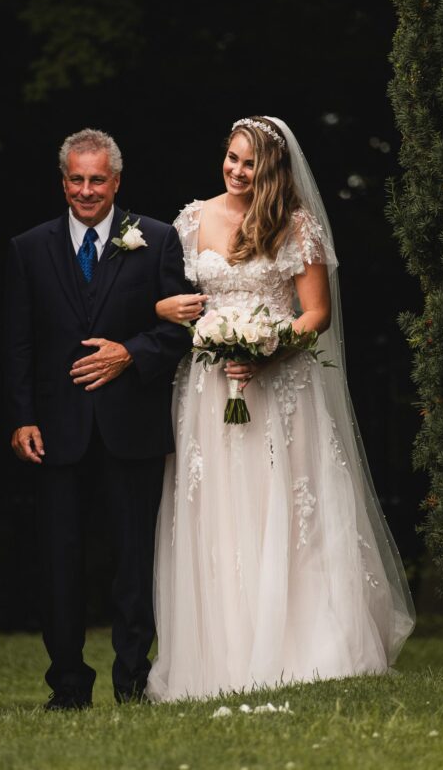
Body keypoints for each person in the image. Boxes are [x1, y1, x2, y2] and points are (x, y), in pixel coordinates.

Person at [146, 116, 415, 701]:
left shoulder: (298, 226)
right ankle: (217, 654)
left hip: (278, 387)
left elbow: (315, 311)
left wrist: (269, 350)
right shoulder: (190, 220)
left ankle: (306, 646)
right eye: (232, 159)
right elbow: (162, 295)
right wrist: (168, 311)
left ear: (272, 171)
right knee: (214, 508)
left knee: (285, 507)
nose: (237, 172)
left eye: (250, 164)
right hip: (207, 387)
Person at [4, 127, 192, 710]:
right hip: (56, 430)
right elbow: (18, 343)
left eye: (98, 180)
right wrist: (22, 417)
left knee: (134, 563)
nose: (87, 190)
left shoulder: (157, 240)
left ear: (116, 181)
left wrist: (129, 353)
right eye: (77, 180)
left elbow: (179, 327)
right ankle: (67, 686)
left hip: (130, 425)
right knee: (60, 564)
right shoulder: (28, 247)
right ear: (64, 183)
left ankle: (133, 683)